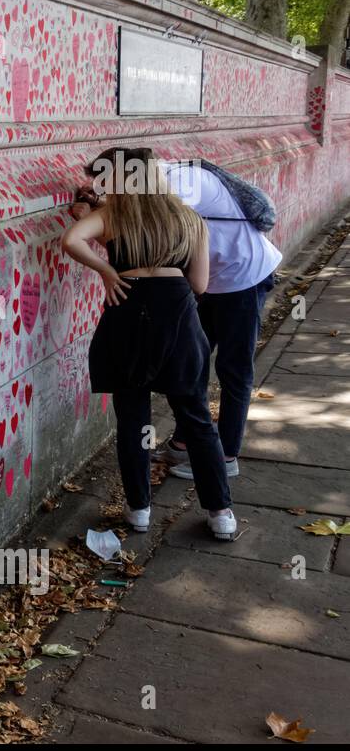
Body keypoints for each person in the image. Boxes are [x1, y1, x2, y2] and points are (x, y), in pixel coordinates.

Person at [62, 147, 237, 540]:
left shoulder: (112, 216)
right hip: (176, 310)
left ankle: (139, 509)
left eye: (102, 178)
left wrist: (107, 270)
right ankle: (220, 512)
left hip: (127, 310)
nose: (97, 185)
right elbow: (200, 285)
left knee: (133, 418)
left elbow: (71, 239)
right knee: (196, 417)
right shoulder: (189, 218)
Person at [156, 158, 282, 480]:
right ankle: (184, 442)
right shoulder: (161, 178)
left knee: (234, 369)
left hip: (243, 277)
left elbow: (159, 219)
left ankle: (225, 456)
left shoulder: (184, 179)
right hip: (213, 281)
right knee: (191, 359)